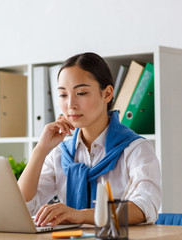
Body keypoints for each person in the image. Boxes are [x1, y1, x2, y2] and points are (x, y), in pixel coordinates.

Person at [18, 52, 161, 227]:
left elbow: (144, 207)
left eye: (81, 92)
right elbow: (23, 206)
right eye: (63, 95)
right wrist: (40, 150)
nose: (70, 105)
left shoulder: (135, 149)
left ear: (107, 94)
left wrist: (81, 215)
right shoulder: (61, 153)